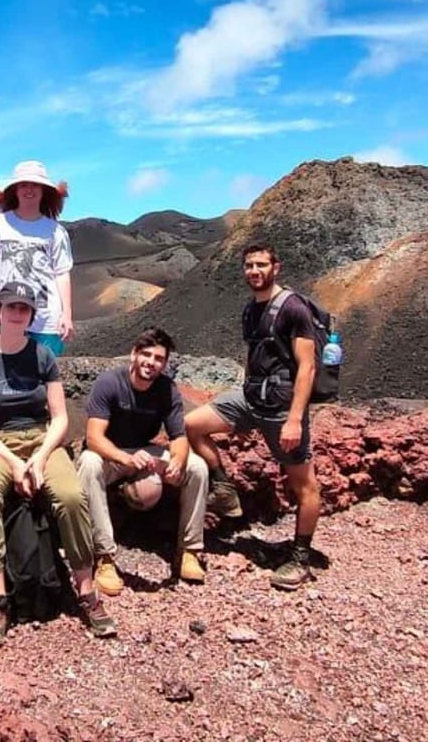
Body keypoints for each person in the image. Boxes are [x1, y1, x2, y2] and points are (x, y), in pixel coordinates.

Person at [0, 282, 115, 646]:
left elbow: (60, 418)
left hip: (42, 439)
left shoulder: (43, 356)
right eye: (11, 307)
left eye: (24, 309)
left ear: (31, 315)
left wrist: (41, 457)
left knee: (71, 496)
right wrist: (15, 463)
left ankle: (86, 589)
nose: (17, 313)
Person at [183, 243, 323, 590]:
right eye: (249, 265)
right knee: (192, 425)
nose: (254, 271)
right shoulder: (250, 310)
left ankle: (301, 558)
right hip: (249, 398)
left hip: (280, 405)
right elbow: (254, 356)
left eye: (261, 264)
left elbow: (307, 367)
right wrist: (241, 414)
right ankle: (224, 488)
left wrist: (294, 419)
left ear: (277, 266)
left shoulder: (293, 308)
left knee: (303, 483)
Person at [76, 328, 209, 594]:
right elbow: (94, 438)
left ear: (165, 363)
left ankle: (190, 550)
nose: (151, 362)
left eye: (158, 358)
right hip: (111, 453)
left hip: (145, 451)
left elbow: (179, 437)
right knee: (88, 464)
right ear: (133, 355)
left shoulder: (166, 389)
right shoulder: (110, 383)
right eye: (146, 355)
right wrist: (126, 457)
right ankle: (104, 557)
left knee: (197, 467)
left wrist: (177, 462)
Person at [0, 160, 74, 355]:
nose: (29, 190)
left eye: (35, 185)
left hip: (46, 321)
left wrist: (66, 315)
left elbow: (62, 274)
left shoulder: (56, 231)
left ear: (44, 190)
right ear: (15, 189)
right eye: (24, 184)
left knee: (43, 378)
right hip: (7, 314)